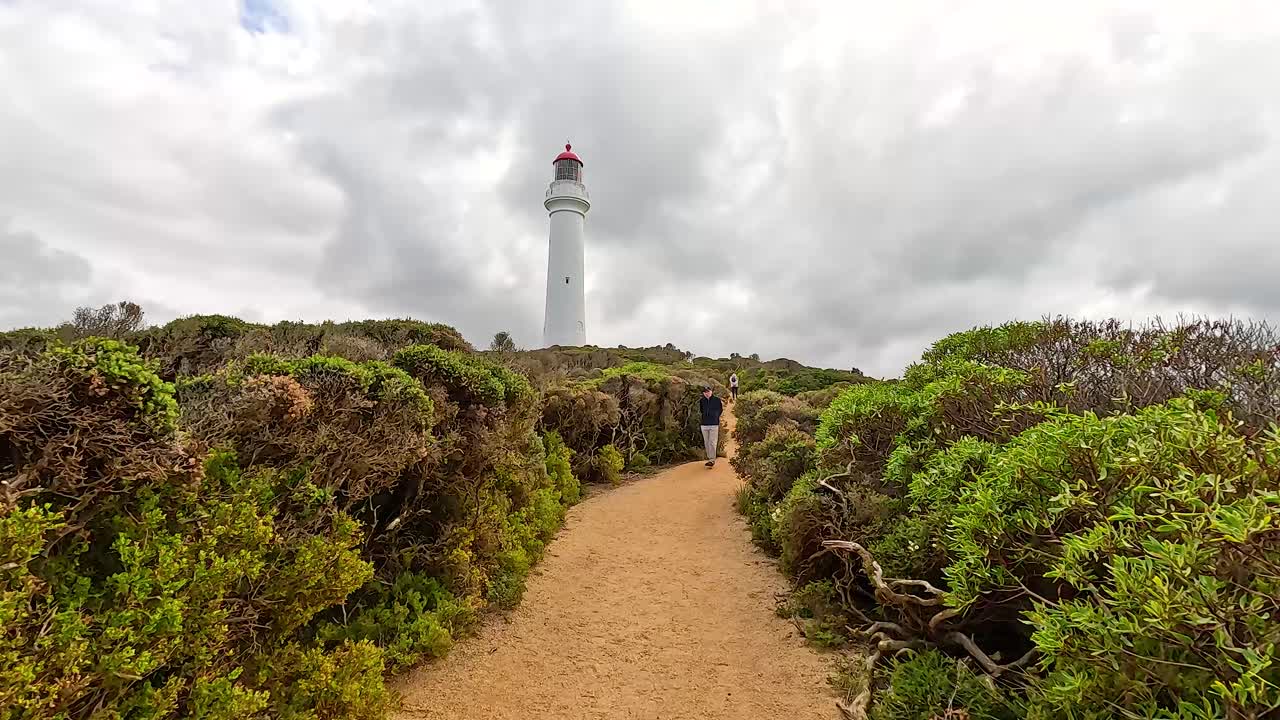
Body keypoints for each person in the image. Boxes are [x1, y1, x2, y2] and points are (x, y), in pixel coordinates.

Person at [699, 386, 723, 467]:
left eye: (708, 391)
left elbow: (720, 409)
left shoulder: (717, 400)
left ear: (711, 391)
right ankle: (709, 458)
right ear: (703, 393)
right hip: (704, 424)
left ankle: (712, 460)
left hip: (714, 424)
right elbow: (701, 410)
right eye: (705, 392)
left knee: (712, 442)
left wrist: (715, 416)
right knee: (706, 442)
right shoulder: (702, 401)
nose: (707, 393)